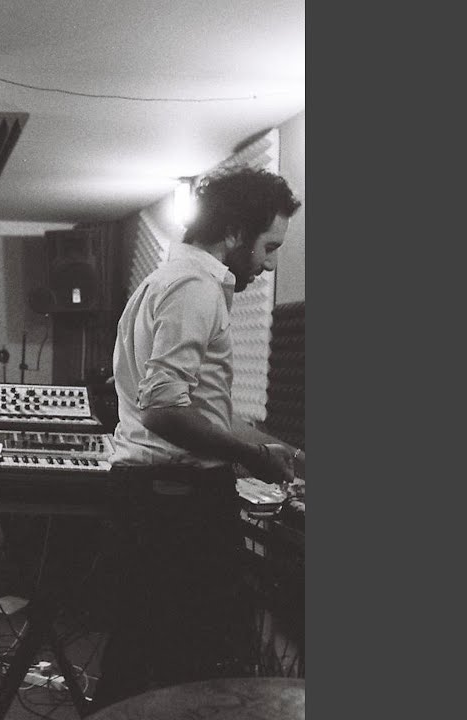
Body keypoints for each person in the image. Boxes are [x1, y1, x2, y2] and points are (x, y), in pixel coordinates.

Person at [91, 166, 304, 710]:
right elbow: (165, 411)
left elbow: (204, 410)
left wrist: (279, 450)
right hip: (177, 503)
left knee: (143, 655)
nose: (270, 264)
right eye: (269, 246)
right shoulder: (195, 288)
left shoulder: (167, 281)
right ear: (234, 232)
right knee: (191, 666)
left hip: (155, 495)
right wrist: (251, 456)